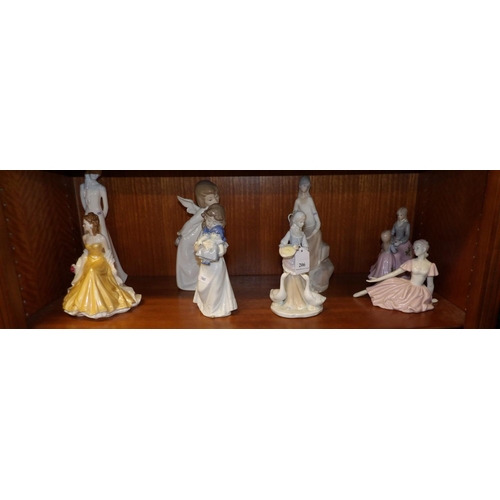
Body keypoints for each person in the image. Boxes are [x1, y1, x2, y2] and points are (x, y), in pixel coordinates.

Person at [63, 213, 141, 319]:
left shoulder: (101, 238)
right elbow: (86, 252)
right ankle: (88, 304)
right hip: (89, 260)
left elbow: (107, 253)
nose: (83, 225)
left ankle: (102, 303)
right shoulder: (85, 237)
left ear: (91, 224)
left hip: (100, 261)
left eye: (85, 223)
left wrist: (112, 266)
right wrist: (79, 264)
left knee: (93, 271)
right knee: (88, 271)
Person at [353, 240, 438, 313]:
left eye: (417, 248)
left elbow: (430, 285)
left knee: (411, 304)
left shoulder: (431, 265)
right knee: (390, 282)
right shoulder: (411, 262)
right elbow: (394, 273)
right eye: (414, 248)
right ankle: (366, 291)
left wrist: (429, 299)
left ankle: (418, 301)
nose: (415, 250)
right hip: (409, 286)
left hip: (419, 292)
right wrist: (378, 279)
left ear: (424, 249)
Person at [270, 211, 326, 318]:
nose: (302, 223)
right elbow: (283, 243)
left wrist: (301, 249)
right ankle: (291, 299)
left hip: (299, 259)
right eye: (300, 221)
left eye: (303, 221)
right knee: (291, 278)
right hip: (290, 260)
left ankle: (301, 299)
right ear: (295, 221)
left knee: (300, 278)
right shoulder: (290, 232)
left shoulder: (302, 234)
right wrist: (291, 248)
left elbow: (306, 246)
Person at [80, 171, 127, 282]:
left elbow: (105, 206)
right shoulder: (83, 186)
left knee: (103, 238)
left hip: (99, 216)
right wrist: (89, 215)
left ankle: (111, 272)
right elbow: (84, 204)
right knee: (89, 240)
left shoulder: (101, 188)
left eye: (98, 173)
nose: (96, 175)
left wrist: (100, 217)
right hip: (88, 216)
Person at [193, 204, 237, 318]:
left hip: (216, 266)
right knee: (202, 286)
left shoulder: (219, 237)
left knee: (216, 288)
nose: (209, 224)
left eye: (213, 222)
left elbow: (222, 252)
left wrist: (213, 248)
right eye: (208, 220)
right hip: (205, 266)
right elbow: (196, 247)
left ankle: (214, 309)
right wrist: (201, 244)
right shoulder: (204, 233)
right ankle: (204, 304)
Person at [292, 175, 334, 292]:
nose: (304, 187)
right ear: (299, 186)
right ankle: (303, 274)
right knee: (303, 247)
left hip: (314, 230)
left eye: (306, 185)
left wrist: (315, 230)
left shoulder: (310, 200)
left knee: (313, 244)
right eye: (302, 185)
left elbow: (317, 220)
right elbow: (294, 216)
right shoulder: (297, 201)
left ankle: (312, 272)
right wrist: (295, 227)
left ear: (309, 186)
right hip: (304, 230)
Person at [176, 181, 220, 291]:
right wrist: (181, 233)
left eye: (216, 197)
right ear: (202, 201)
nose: (215, 201)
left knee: (198, 263)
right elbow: (190, 223)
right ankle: (188, 284)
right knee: (188, 264)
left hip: (197, 240)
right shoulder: (203, 212)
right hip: (188, 241)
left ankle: (199, 282)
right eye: (210, 199)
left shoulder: (212, 211)